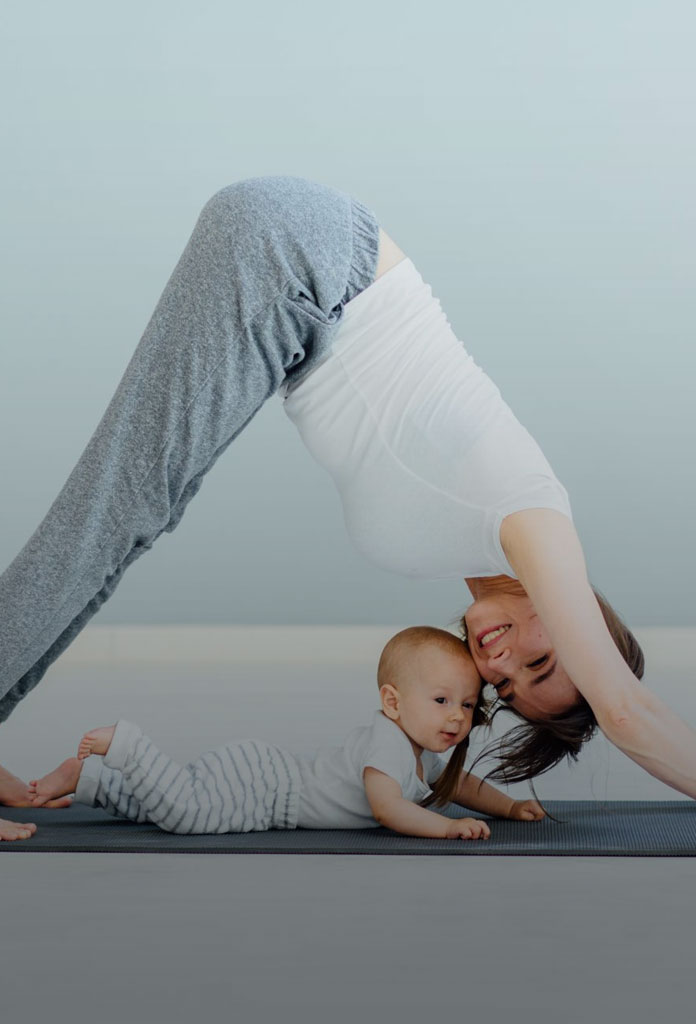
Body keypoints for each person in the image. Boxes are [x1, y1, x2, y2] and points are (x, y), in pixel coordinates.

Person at [1, 174, 694, 841]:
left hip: (303, 279)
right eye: (541, 663)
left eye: (506, 689)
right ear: (583, 621)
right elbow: (627, 712)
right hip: (304, 259)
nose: (500, 664)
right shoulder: (535, 520)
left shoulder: (477, 552)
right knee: (115, 513)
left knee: (135, 514)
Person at [27, 627, 544, 838]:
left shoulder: (418, 752)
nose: (457, 717)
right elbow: (388, 809)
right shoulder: (387, 741)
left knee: (160, 805)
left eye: (467, 705)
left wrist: (509, 806)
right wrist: (447, 829)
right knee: (184, 814)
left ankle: (90, 781)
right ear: (392, 701)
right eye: (441, 701)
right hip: (267, 791)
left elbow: (460, 786)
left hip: (264, 777)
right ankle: (127, 745)